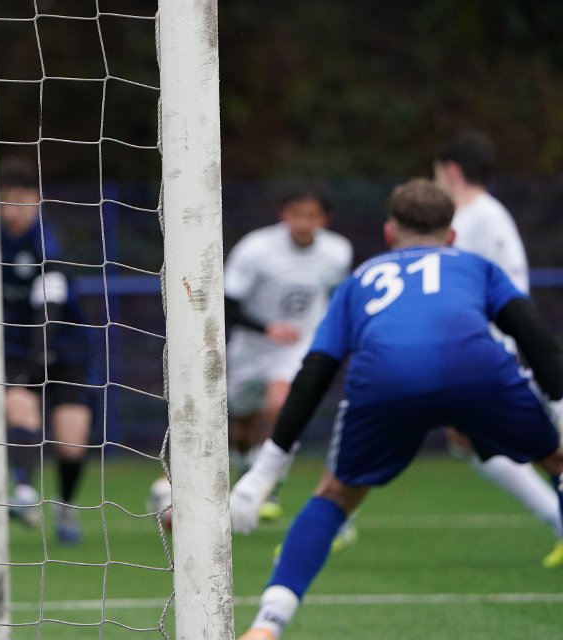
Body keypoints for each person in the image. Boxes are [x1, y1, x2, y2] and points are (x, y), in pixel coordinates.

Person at [230, 178, 563, 640]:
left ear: (389, 233)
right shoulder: (475, 266)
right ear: (452, 236)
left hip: (388, 379)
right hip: (477, 372)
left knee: (335, 495)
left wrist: (264, 472)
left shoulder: (359, 281)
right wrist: (560, 412)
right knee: (557, 461)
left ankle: (267, 625)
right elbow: (536, 338)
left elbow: (315, 373)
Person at [433, 130, 563, 568]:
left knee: (535, 441)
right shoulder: (479, 216)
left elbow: (504, 288)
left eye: (437, 173)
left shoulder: (479, 217)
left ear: (451, 171)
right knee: (468, 440)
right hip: (479, 346)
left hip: (483, 348)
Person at [222, 184, 352, 522]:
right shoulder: (256, 249)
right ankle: (247, 468)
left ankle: (269, 483)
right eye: (297, 214)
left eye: (312, 216)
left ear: (324, 219)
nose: (304, 223)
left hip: (296, 347)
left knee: (281, 405)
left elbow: (339, 296)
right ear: (284, 214)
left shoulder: (337, 251)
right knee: (242, 426)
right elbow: (227, 301)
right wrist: (267, 328)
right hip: (251, 347)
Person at [0, 157, 93, 545]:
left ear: (36, 201)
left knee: (71, 443)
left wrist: (41, 356)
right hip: (16, 346)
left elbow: (49, 307)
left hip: (65, 348)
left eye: (22, 202)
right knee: (20, 406)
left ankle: (66, 508)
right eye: (6, 201)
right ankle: (24, 491)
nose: (14, 211)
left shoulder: (47, 243)